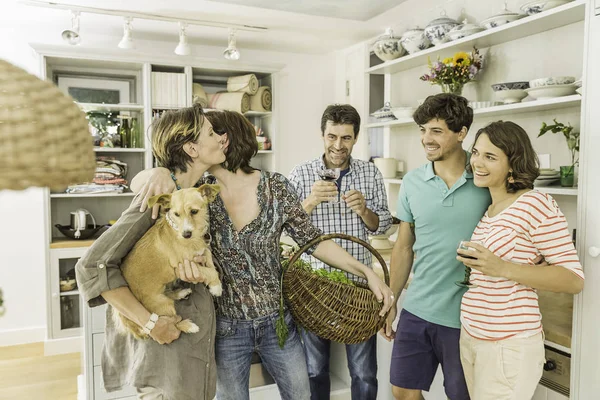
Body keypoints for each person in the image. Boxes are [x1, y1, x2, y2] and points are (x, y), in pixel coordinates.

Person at [131, 110, 394, 400]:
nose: (202, 142)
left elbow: (314, 241)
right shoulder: (197, 192)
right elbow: (141, 187)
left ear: (225, 140)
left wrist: (367, 272)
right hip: (225, 328)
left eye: (208, 133)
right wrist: (156, 171)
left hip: (278, 324)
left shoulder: (275, 187)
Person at [75, 104, 227, 400]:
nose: (221, 138)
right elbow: (92, 265)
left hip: (190, 349)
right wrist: (150, 323)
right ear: (192, 148)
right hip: (166, 355)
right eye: (212, 132)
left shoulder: (195, 193)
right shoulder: (157, 203)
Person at [457, 121, 584, 399]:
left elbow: (573, 279)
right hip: (473, 336)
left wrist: (502, 267)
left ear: (513, 164)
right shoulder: (491, 208)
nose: (477, 162)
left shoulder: (535, 203)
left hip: (508, 345)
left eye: (490, 157)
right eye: (476, 152)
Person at [381, 93, 491, 400]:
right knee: (402, 391)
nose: (426, 139)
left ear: (461, 133)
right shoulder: (413, 182)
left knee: (462, 396)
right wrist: (391, 302)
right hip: (417, 308)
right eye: (423, 130)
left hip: (467, 317)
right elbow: (403, 248)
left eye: (436, 131)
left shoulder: (485, 181)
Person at [288, 104, 392, 400]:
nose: (338, 145)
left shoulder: (370, 173)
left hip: (360, 288)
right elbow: (284, 228)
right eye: (332, 136)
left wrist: (364, 210)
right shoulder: (302, 173)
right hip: (314, 287)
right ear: (322, 135)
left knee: (364, 373)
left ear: (356, 138)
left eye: (346, 138)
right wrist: (308, 203)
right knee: (313, 370)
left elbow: (381, 226)